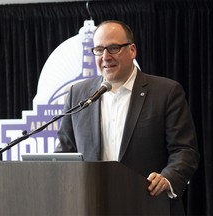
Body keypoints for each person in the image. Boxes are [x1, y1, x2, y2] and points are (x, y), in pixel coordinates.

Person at [55, 20, 200, 215]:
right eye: (99, 49)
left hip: (149, 204)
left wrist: (167, 178)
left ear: (132, 50)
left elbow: (185, 150)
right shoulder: (78, 94)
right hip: (93, 206)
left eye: (113, 48)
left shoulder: (166, 92)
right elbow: (65, 152)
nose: (105, 57)